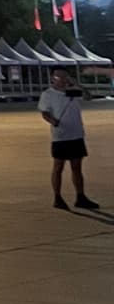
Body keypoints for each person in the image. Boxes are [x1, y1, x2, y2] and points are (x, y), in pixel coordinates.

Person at [41, 70, 99, 212]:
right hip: (61, 136)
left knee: (76, 167)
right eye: (59, 77)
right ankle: (57, 197)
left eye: (65, 76)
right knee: (58, 167)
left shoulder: (71, 92)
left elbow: (88, 97)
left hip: (76, 134)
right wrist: (52, 120)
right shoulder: (48, 94)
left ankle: (80, 196)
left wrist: (77, 84)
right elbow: (44, 112)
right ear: (53, 79)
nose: (62, 79)